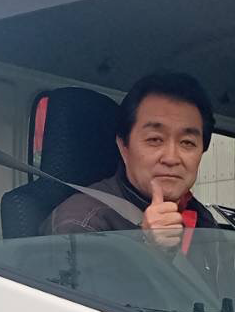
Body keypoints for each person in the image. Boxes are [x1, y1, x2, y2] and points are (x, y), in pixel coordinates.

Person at [42, 72, 218, 250]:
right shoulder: (80, 224)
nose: (171, 158)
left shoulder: (203, 219)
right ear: (124, 147)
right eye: (155, 139)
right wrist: (149, 247)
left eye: (187, 142)